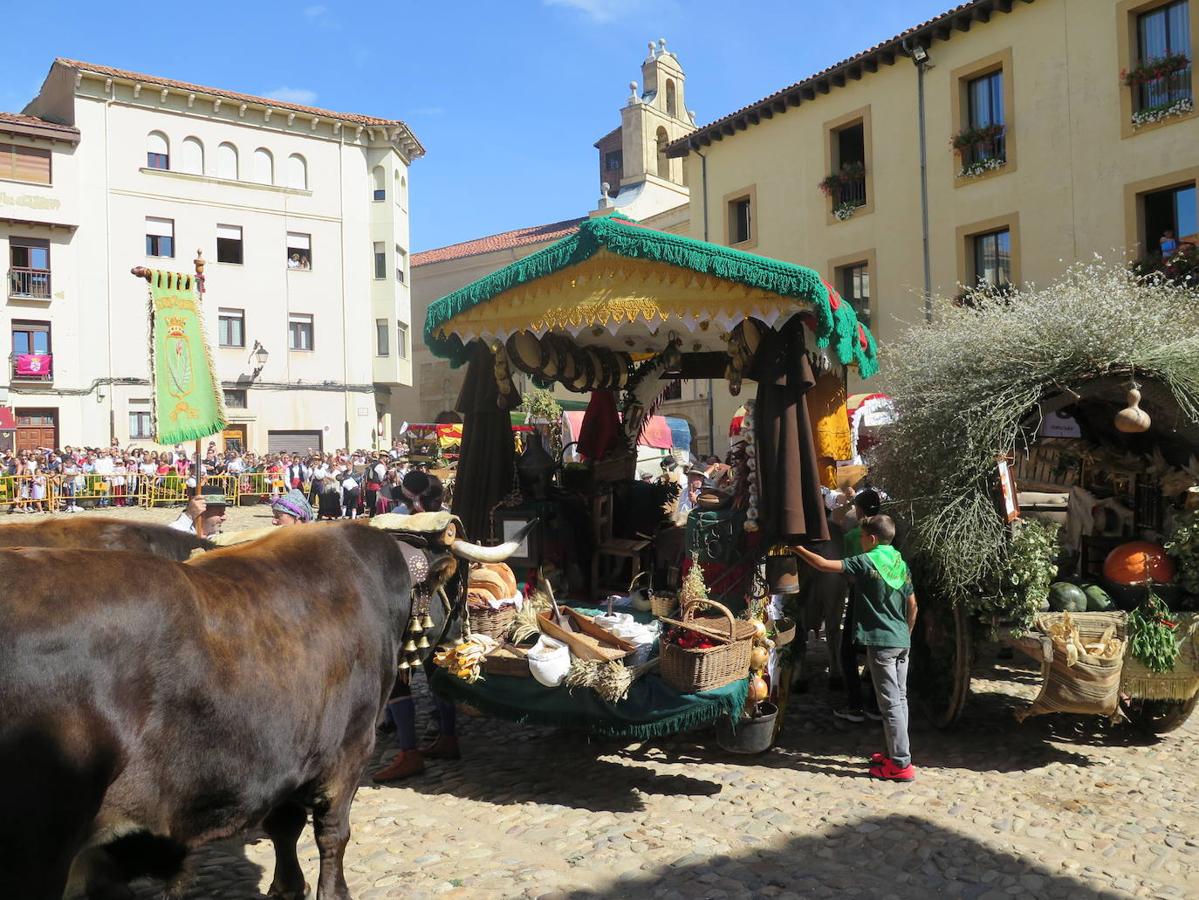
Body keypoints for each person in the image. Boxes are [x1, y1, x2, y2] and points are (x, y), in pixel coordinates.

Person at [791, 514, 918, 782]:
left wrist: (796, 548)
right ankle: (895, 752)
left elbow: (824, 564)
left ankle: (900, 763)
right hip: (901, 641)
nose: (859, 541)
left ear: (872, 539)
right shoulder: (898, 562)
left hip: (882, 643)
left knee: (890, 704)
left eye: (861, 537)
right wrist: (905, 634)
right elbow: (913, 605)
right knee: (901, 700)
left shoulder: (866, 560)